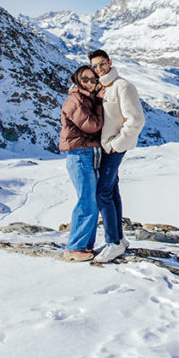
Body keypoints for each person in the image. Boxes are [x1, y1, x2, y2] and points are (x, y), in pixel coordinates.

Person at [89, 49, 145, 263]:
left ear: (110, 62)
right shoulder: (101, 87)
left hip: (113, 148)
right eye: (94, 66)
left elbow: (136, 120)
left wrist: (116, 145)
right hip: (103, 148)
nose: (98, 69)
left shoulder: (123, 86)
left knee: (102, 193)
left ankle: (113, 243)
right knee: (111, 191)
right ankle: (120, 239)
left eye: (101, 64)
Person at [58, 65, 104, 262]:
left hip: (88, 153)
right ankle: (75, 247)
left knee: (91, 201)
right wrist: (101, 102)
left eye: (94, 80)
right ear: (77, 80)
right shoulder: (76, 100)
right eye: (86, 79)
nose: (90, 83)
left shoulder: (86, 99)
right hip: (79, 154)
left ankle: (85, 246)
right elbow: (92, 125)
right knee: (86, 201)